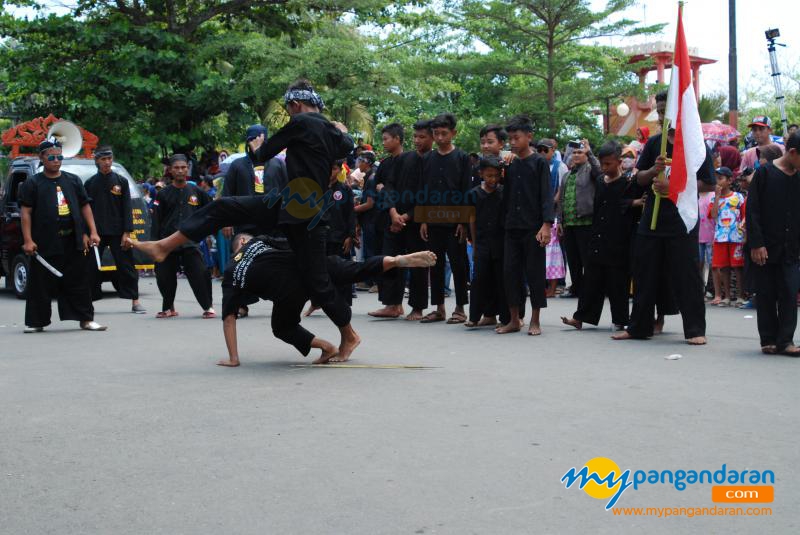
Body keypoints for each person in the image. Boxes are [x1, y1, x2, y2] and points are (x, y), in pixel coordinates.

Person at [248, 79, 359, 360]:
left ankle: (349, 335)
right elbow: (347, 143)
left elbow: (261, 156)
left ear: (296, 105)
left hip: (303, 211)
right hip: (309, 209)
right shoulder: (329, 129)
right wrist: (338, 129)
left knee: (319, 280)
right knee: (310, 276)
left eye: (288, 109)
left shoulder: (300, 123)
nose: (289, 114)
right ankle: (331, 333)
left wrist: (256, 145)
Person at [216, 234, 437, 367]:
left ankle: (326, 346)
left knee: (283, 327)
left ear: (240, 242)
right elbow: (293, 242)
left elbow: (228, 318)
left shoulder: (231, 269)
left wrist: (233, 358)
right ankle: (395, 260)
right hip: (309, 264)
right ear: (246, 240)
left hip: (288, 290)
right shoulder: (259, 241)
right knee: (356, 269)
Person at [613, 90, 715, 345]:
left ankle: (694, 330)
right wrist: (653, 170)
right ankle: (638, 327)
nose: (661, 116)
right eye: (659, 111)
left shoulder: (694, 144)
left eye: (665, 111)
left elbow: (708, 183)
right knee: (644, 273)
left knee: (687, 276)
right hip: (652, 218)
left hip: (682, 219)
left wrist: (675, 187)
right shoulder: (654, 143)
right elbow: (638, 179)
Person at [19, 140, 106, 332]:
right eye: (51, 157)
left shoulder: (73, 180)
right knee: (40, 283)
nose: (56, 160)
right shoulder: (33, 183)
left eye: (59, 157)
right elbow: (26, 212)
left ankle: (86, 319)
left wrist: (92, 232)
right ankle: (36, 322)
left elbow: (85, 205)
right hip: (44, 241)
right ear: (42, 158)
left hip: (73, 239)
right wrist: (28, 240)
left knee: (79, 281)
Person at [561, 141, 643, 331]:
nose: (605, 168)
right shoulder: (599, 181)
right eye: (603, 164)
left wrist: (634, 202)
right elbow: (598, 174)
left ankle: (620, 320)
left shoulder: (628, 183)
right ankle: (580, 318)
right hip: (597, 236)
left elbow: (625, 204)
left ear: (619, 161)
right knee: (591, 280)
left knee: (617, 282)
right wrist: (590, 154)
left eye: (609, 164)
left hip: (619, 240)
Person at [497, 115, 553, 335]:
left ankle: (535, 320)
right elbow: (505, 193)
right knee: (510, 273)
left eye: (516, 137)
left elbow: (546, 195)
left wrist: (546, 224)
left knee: (535, 273)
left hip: (533, 227)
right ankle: (513, 319)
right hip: (511, 226)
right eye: (510, 138)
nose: (512, 142)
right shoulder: (509, 163)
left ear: (529, 137)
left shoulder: (539, 162)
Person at [746, 131, 800, 355]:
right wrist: (756, 244)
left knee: (789, 291)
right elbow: (753, 210)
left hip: (791, 247)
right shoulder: (765, 174)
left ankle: (786, 340)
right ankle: (768, 339)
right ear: (793, 152)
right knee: (766, 292)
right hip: (765, 245)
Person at [418, 113, 473, 324]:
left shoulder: (462, 158)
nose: (440, 138)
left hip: (455, 221)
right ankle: (439, 308)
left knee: (458, 264)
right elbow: (423, 189)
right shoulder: (428, 159)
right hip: (432, 220)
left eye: (444, 133)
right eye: (436, 134)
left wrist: (463, 222)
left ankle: (460, 308)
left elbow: (466, 190)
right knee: (435, 263)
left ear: (453, 133)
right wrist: (423, 219)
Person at [381, 119, 435, 321]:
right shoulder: (403, 159)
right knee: (390, 259)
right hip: (395, 218)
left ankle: (418, 307)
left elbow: (430, 194)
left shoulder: (434, 161)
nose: (417, 141)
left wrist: (408, 215)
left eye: (422, 137)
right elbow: (390, 186)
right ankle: (392, 304)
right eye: (415, 136)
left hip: (418, 220)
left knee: (417, 263)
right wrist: (393, 212)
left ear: (432, 138)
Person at [152, 154, 216, 318]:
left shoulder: (197, 192)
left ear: (187, 169)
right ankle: (168, 308)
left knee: (200, 273)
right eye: (176, 168)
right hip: (168, 242)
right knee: (164, 275)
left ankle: (208, 306)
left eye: (183, 167)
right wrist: (155, 245)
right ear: (170, 170)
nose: (180, 171)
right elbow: (156, 221)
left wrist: (205, 231)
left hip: (189, 242)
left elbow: (212, 211)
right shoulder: (163, 194)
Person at [84, 146, 145, 313]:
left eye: (109, 159)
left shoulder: (121, 181)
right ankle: (90, 303)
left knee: (127, 266)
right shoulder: (89, 184)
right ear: (97, 161)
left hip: (118, 232)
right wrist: (89, 233)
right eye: (103, 159)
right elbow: (85, 209)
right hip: (96, 233)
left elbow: (127, 208)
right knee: (91, 267)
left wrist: (127, 233)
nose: (107, 162)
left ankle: (135, 301)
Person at [370, 123, 412, 318]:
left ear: (397, 139)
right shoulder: (385, 163)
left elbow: (389, 188)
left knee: (399, 261)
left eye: (386, 138)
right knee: (386, 260)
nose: (384, 142)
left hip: (406, 217)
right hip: (386, 216)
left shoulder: (410, 161)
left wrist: (401, 215)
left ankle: (395, 304)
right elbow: (378, 187)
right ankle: (392, 303)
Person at [222, 124, 288, 240]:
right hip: (245, 223)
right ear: (247, 142)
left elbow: (287, 191)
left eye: (260, 140)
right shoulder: (237, 165)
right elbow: (227, 194)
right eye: (252, 140)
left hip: (273, 223)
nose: (256, 143)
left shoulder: (278, 164)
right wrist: (226, 221)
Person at [556, 139, 601, 299]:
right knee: (573, 261)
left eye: (580, 152)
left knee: (587, 260)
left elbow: (600, 173)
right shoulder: (567, 174)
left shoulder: (591, 170)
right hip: (569, 224)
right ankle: (576, 288)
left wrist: (589, 152)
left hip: (586, 222)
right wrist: (560, 220)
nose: (576, 155)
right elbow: (561, 199)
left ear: (586, 155)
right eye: (574, 152)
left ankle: (591, 291)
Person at [466, 155, 507, 328]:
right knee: (479, 280)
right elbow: (472, 221)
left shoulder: (503, 192)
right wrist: (474, 245)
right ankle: (476, 316)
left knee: (501, 280)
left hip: (501, 243)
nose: (493, 179)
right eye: (489, 175)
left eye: (496, 175)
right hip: (482, 243)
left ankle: (505, 318)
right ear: (481, 174)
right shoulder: (474, 194)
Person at [709, 167, 745, 306]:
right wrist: (717, 197)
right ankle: (727, 297)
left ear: (730, 180)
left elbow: (744, 216)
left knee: (738, 267)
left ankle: (741, 296)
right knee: (723, 267)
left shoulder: (738, 197)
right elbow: (713, 215)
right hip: (720, 237)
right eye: (716, 178)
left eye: (720, 178)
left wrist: (744, 233)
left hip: (736, 237)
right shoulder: (713, 198)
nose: (717, 181)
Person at [353, 150, 379, 292]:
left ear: (365, 162)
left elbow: (369, 204)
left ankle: (375, 281)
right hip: (370, 220)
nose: (357, 164)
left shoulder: (371, 179)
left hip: (371, 220)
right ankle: (369, 280)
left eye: (359, 160)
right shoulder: (370, 175)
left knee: (371, 251)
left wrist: (353, 209)